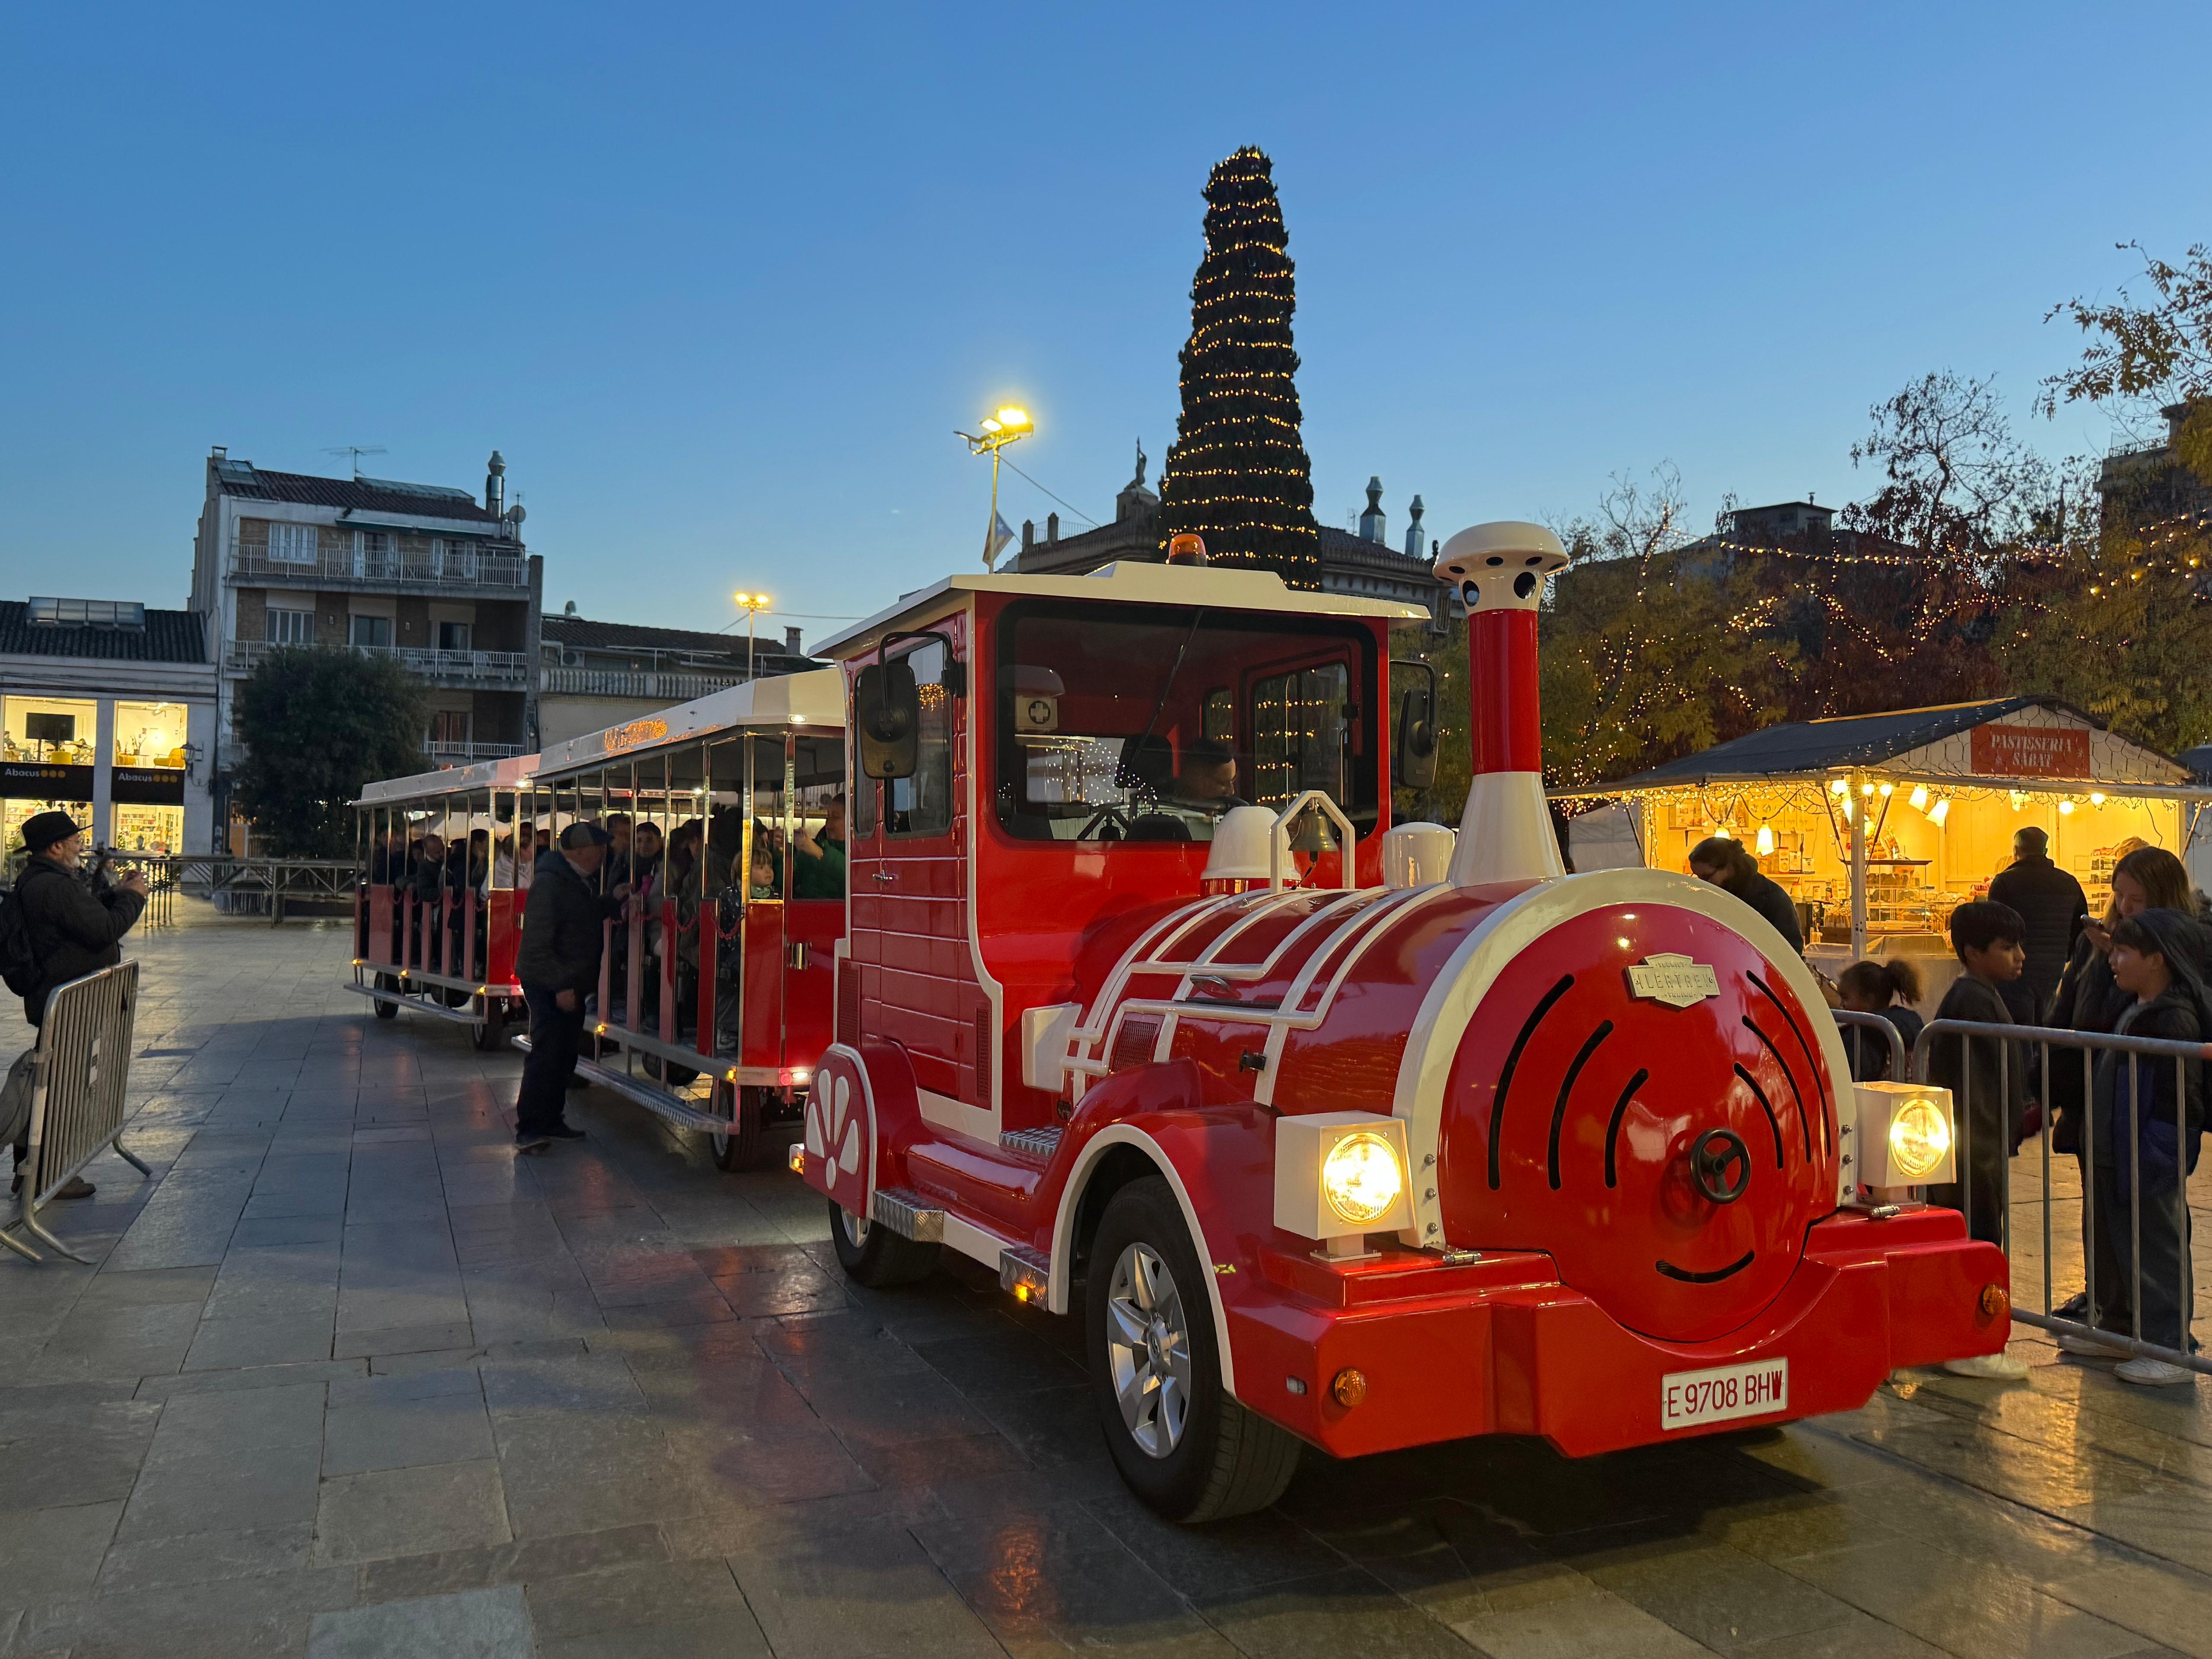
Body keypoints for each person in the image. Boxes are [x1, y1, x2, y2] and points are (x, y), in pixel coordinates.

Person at [2048, 845, 2197, 1322]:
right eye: (2119, 896)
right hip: (2097, 1097)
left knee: (2151, 1224)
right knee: (2105, 1209)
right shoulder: (2102, 947)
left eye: (2136, 898)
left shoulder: (2172, 974)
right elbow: (2078, 1009)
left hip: (2144, 1119)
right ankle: (2109, 1309)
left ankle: (2156, 1331)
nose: (2124, 906)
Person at [2062, 907, 2209, 1385]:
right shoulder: (2134, 1008)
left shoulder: (2172, 1020)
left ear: (2157, 960)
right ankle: (2119, 1327)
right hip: (2113, 1150)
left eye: (2124, 951)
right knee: (2117, 1244)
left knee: (2154, 1249)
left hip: (2145, 1153)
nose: (2113, 959)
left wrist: (2157, 1151)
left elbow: (2174, 1101)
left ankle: (2169, 1348)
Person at [7, 811, 147, 1201]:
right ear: (55, 847)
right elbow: (104, 928)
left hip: (61, 997)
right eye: (73, 840)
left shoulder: (41, 881)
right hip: (68, 1001)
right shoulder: (54, 887)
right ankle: (49, 1174)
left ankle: (29, 1171)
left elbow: (86, 919)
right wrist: (134, 897)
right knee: (60, 1086)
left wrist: (115, 894)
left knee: (51, 1082)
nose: (80, 846)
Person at [1921, 899, 2033, 1380]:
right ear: (1971, 951)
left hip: (1978, 1138)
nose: (2019, 956)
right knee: (1978, 1236)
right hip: (1974, 1142)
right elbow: (1978, 1082)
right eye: (2006, 948)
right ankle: (1972, 1339)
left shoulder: (1980, 994)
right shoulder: (1971, 1000)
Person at [512, 823, 627, 1152]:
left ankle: (551, 1119)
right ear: (578, 852)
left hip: (570, 984)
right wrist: (561, 986)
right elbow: (538, 944)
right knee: (547, 1054)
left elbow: (582, 915)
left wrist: (610, 901)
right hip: (552, 985)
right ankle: (530, 1128)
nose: (605, 854)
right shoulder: (550, 884)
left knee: (564, 1055)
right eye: (599, 848)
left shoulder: (573, 880)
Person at [1988, 826, 2088, 1019]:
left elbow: (1994, 926)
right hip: (2054, 965)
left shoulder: (2005, 882)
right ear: (2045, 851)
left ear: (2016, 851)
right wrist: (2066, 955)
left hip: (2015, 966)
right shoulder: (2069, 883)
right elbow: (2082, 927)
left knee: (2018, 1030)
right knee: (2046, 1025)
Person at [1687, 836, 1805, 956]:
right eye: (1698, 877)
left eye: (1707, 877)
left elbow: (1792, 950)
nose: (1703, 884)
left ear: (1729, 867)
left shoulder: (1772, 898)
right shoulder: (1713, 894)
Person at [1835, 959, 1925, 1082]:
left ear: (1869, 1001)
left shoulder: (1858, 1038)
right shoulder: (1908, 1027)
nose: (1841, 1005)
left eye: (1845, 998)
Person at [793, 795, 847, 899]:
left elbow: (853, 879)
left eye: (836, 817)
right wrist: (780, 853)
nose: (829, 824)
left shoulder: (863, 851)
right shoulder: (812, 848)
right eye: (828, 817)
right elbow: (783, 882)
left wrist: (820, 854)